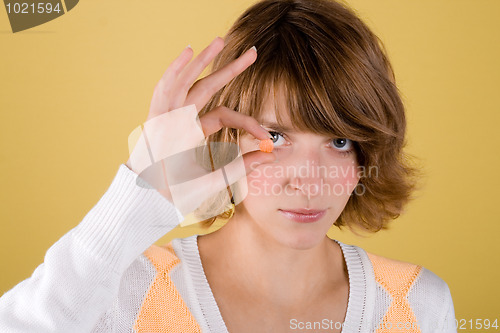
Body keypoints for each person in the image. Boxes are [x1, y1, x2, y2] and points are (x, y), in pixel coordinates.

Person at [0, 0, 457, 332]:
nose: (308, 180)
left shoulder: (418, 305)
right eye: (275, 136)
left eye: (338, 142)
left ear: (365, 157)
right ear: (225, 137)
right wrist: (144, 189)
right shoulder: (123, 294)